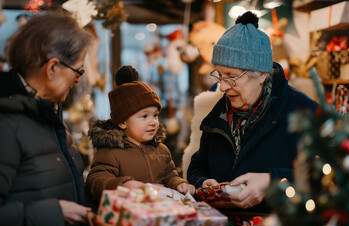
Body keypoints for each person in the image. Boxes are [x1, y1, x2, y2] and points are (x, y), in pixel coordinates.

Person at [187, 11, 318, 210]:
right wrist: (204, 184)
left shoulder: (304, 112)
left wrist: (272, 181)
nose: (222, 87)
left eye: (231, 76)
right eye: (219, 75)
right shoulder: (220, 113)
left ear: (261, 75)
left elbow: (330, 174)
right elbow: (197, 167)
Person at [0, 11, 93, 226]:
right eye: (78, 70)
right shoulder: (6, 124)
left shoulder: (48, 114)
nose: (79, 79)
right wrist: (54, 213)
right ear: (52, 68)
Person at [85, 66, 195, 206]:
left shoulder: (161, 150)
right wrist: (124, 185)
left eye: (155, 115)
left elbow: (170, 175)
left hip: (160, 213)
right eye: (144, 116)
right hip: (128, 216)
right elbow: (96, 181)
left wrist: (179, 183)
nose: (153, 122)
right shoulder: (110, 152)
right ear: (123, 122)